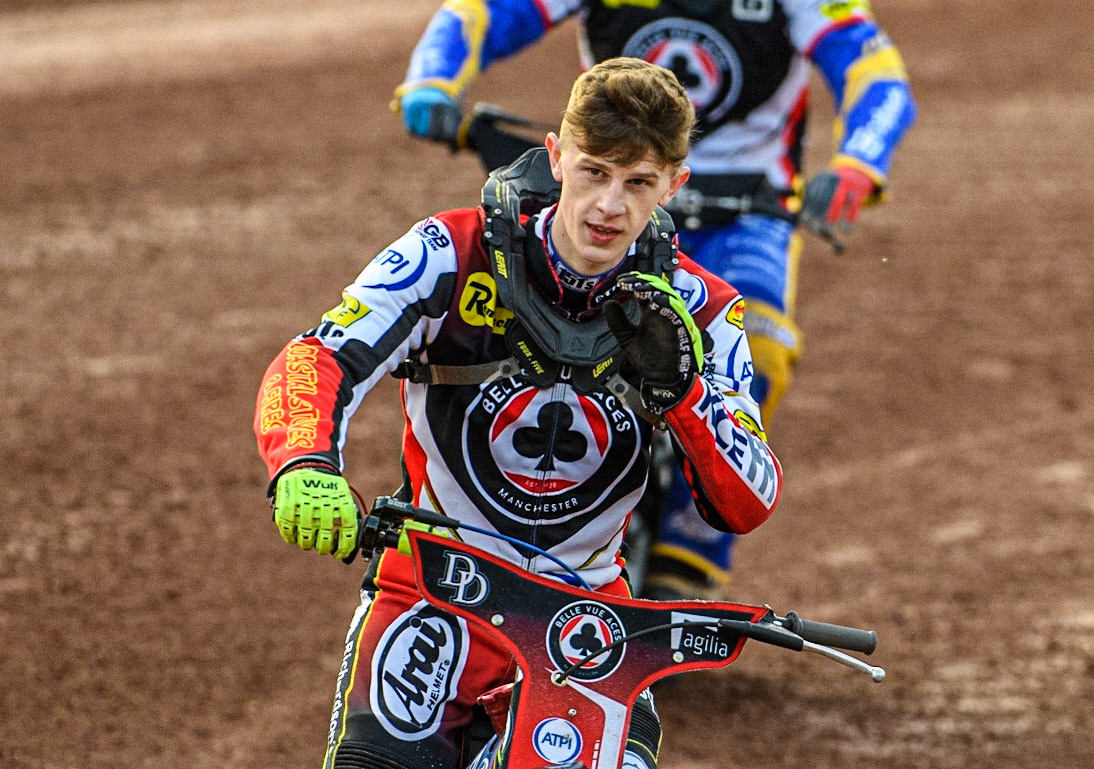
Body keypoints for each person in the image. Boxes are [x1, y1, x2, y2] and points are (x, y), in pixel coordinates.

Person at [254, 58, 781, 769]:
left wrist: (684, 395)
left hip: (586, 617)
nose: (609, 207)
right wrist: (304, 464)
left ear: (673, 186)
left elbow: (749, 498)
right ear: (557, 156)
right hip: (432, 592)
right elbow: (318, 356)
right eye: (594, 171)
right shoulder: (449, 250)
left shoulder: (703, 310)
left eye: (638, 183)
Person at [393, 0, 916, 601]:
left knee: (761, 351)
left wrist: (859, 162)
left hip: (746, 209)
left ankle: (691, 548)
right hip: (621, 176)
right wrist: (432, 78)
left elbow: (874, 73)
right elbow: (484, 13)